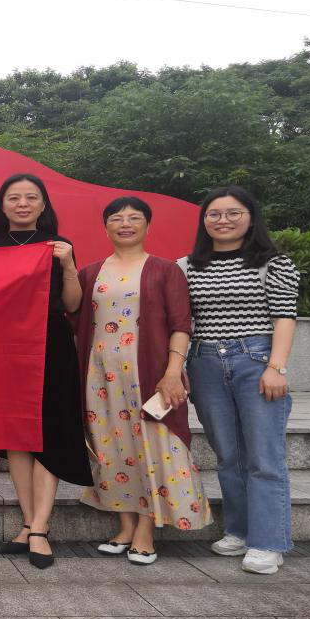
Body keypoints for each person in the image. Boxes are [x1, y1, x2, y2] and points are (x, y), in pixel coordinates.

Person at [74, 197, 212, 566]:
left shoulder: (165, 270)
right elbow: (76, 319)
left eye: (134, 218)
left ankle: (146, 530)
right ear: (105, 227)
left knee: (153, 447)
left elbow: (181, 324)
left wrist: (172, 372)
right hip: (99, 377)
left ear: (147, 226)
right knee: (111, 449)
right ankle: (125, 525)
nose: (125, 224)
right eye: (116, 218)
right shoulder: (90, 273)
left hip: (148, 375)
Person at [0, 173, 93, 569]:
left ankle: (41, 527)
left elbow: (73, 305)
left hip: (52, 344)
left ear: (43, 205)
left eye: (31, 197)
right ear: (2, 205)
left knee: (49, 432)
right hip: (5, 349)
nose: (22, 204)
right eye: (14, 197)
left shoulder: (59, 245)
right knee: (16, 436)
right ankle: (28, 523)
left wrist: (68, 264)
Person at [183, 186, 299, 574]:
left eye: (233, 213)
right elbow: (183, 321)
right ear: (204, 221)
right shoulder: (187, 266)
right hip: (204, 362)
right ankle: (239, 530)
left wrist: (276, 367)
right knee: (228, 455)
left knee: (264, 457)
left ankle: (268, 542)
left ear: (251, 218)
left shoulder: (274, 263)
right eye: (214, 214)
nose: (223, 220)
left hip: (256, 359)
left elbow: (284, 316)